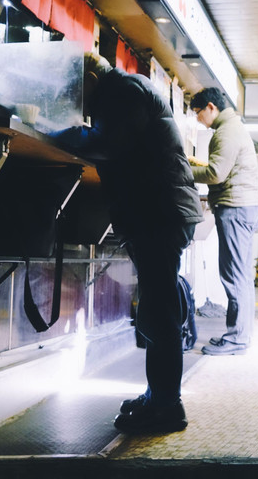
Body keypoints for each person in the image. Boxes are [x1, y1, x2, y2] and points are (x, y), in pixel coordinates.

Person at [53, 55, 202, 434]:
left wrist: (53, 131)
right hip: (160, 211)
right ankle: (159, 397)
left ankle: (168, 406)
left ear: (89, 77)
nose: (74, 97)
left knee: (160, 311)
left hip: (160, 213)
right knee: (158, 307)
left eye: (75, 87)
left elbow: (107, 143)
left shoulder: (122, 91)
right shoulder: (126, 90)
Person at [188, 87, 258, 355]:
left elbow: (216, 173)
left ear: (210, 107)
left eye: (198, 113)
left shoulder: (227, 131)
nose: (198, 119)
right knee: (240, 275)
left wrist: (182, 168)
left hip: (236, 208)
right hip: (241, 207)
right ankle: (239, 336)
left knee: (235, 276)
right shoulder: (232, 127)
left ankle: (237, 339)